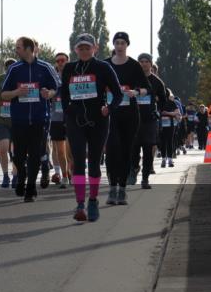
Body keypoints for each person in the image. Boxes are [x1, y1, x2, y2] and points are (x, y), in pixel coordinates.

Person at [59, 34, 123, 222]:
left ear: (95, 48)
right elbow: (64, 94)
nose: (84, 51)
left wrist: (108, 108)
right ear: (75, 49)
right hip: (75, 121)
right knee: (78, 161)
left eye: (88, 48)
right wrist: (67, 111)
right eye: (81, 48)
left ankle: (93, 201)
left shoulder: (103, 67)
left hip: (98, 120)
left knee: (94, 162)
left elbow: (118, 94)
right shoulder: (70, 68)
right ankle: (80, 204)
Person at [0, 37, 60, 202]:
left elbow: (57, 88)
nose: (16, 50)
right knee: (18, 155)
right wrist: (17, 92)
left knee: (34, 154)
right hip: (19, 119)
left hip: (40, 118)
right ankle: (22, 175)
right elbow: (3, 94)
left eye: (18, 47)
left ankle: (31, 186)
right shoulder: (14, 69)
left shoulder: (45, 68)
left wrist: (50, 93)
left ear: (28, 49)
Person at [102, 32, 151, 206]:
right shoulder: (105, 64)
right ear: (113, 45)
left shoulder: (134, 65)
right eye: (117, 43)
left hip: (130, 115)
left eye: (123, 43)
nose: (120, 46)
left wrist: (136, 92)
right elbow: (98, 87)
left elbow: (147, 88)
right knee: (112, 150)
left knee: (125, 151)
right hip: (110, 114)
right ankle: (111, 187)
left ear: (127, 45)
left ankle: (121, 189)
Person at [129, 53, 165, 189]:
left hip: (149, 120)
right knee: (133, 148)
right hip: (133, 119)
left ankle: (145, 178)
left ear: (151, 63)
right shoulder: (132, 79)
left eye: (146, 61)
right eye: (141, 61)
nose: (143, 64)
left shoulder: (157, 82)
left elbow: (163, 99)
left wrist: (158, 110)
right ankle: (133, 169)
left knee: (148, 148)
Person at [0, 58, 18, 188]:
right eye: (7, 66)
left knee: (16, 151)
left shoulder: (21, 79)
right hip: (1, 119)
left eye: (12, 66)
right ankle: (5, 175)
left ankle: (15, 175)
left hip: (18, 119)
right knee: (3, 148)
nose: (10, 68)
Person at [49, 52, 70, 188]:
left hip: (72, 117)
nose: (60, 63)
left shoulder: (74, 75)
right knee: (59, 150)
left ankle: (72, 172)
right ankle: (64, 176)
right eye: (58, 61)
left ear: (68, 61)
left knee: (72, 150)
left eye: (63, 60)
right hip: (56, 117)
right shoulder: (53, 78)